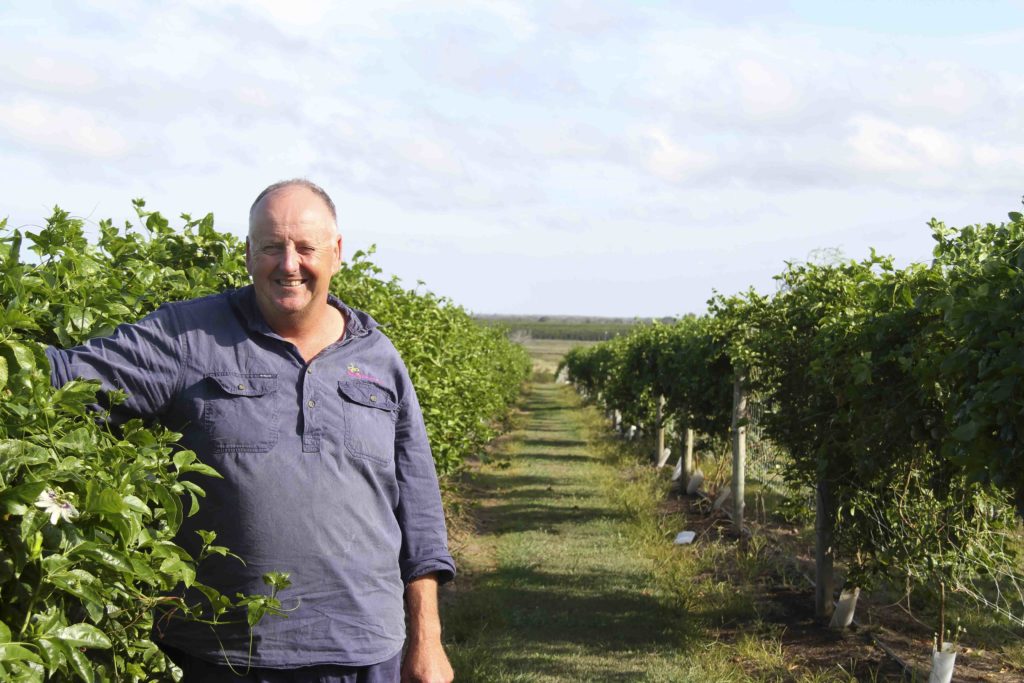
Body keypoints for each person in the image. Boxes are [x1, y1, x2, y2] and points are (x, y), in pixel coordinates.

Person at [46, 179, 456, 682]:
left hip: (366, 653)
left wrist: (428, 641)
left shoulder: (378, 357)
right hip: (223, 654)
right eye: (270, 247)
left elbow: (418, 511)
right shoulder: (186, 336)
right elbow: (61, 379)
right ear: (247, 253)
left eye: (306, 247)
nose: (289, 264)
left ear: (336, 253)